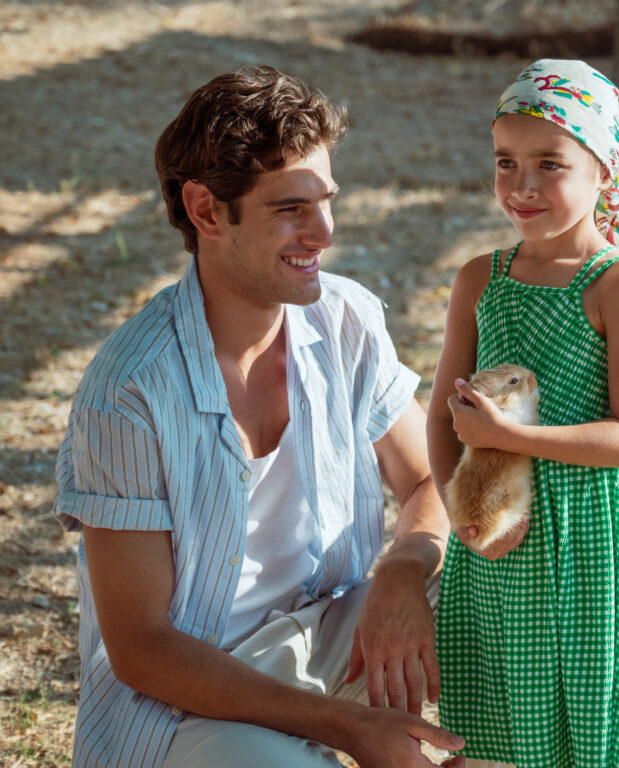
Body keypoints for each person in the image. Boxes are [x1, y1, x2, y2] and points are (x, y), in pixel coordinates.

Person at [53, 65, 465, 768]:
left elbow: (432, 481)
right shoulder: (128, 392)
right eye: (290, 208)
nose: (323, 232)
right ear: (207, 211)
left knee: (496, 591)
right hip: (185, 707)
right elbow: (143, 648)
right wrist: (350, 727)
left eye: (326, 201)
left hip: (326, 637)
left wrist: (404, 563)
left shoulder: (346, 319)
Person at [426, 58, 619, 768]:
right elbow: (441, 416)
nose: (521, 185)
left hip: (592, 534)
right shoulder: (480, 279)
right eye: (506, 162)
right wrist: (464, 516)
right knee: (499, 724)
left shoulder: (618, 284)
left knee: (589, 724)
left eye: (549, 164)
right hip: (498, 525)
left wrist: (511, 435)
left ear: (603, 172)